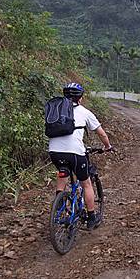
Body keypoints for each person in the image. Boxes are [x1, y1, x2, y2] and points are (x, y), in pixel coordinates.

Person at [48, 83, 113, 230]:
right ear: (81, 98)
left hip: (54, 152)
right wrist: (108, 146)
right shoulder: (85, 112)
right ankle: (91, 218)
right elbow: (101, 133)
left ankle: (59, 207)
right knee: (86, 183)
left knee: (62, 174)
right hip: (75, 153)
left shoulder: (57, 111)